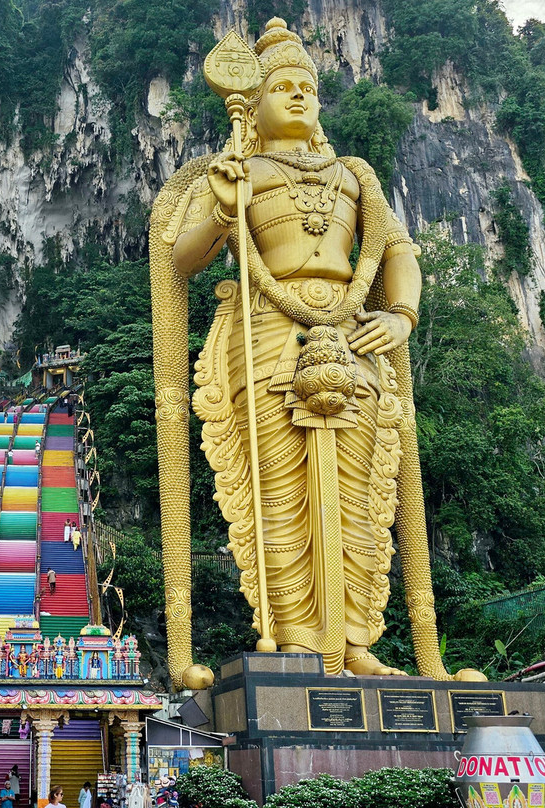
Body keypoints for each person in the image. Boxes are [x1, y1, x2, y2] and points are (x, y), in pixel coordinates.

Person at [151, 17, 480, 683]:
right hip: (268, 333)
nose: (299, 95)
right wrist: (220, 208)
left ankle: (356, 642)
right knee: (278, 492)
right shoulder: (241, 171)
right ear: (258, 102)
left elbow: (396, 254)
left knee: (362, 494)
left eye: (308, 86)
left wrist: (404, 317)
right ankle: (300, 639)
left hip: (355, 331)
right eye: (283, 87)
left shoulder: (354, 174)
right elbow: (178, 259)